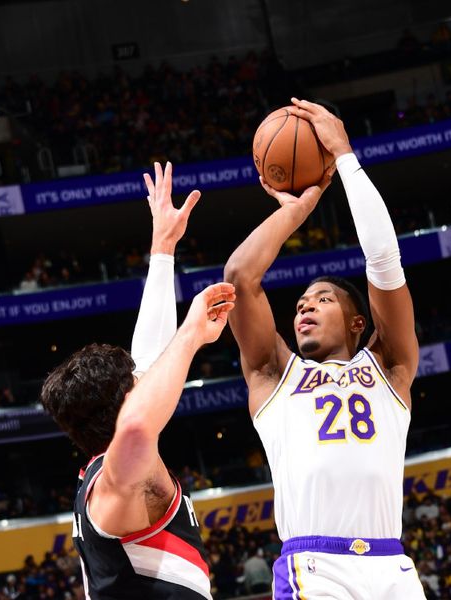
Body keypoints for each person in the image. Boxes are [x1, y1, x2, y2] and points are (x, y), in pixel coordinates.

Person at [224, 99, 425, 599]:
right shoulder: (274, 376)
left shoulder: (390, 368)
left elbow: (383, 259)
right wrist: (298, 209)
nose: (304, 308)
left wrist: (345, 157)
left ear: (359, 322)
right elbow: (239, 279)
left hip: (391, 566)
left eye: (323, 299)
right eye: (299, 304)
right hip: (315, 566)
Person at [41, 163, 235, 600]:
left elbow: (149, 355)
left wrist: (163, 246)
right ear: (125, 400)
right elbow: (136, 423)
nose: (144, 378)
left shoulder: (115, 464)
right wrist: (191, 335)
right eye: (134, 381)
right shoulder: (112, 484)